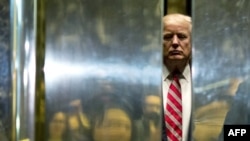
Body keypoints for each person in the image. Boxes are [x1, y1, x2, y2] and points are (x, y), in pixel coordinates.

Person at [162, 13, 192, 141]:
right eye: (167, 37)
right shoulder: (143, 83)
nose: (175, 42)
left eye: (181, 36)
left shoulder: (208, 84)